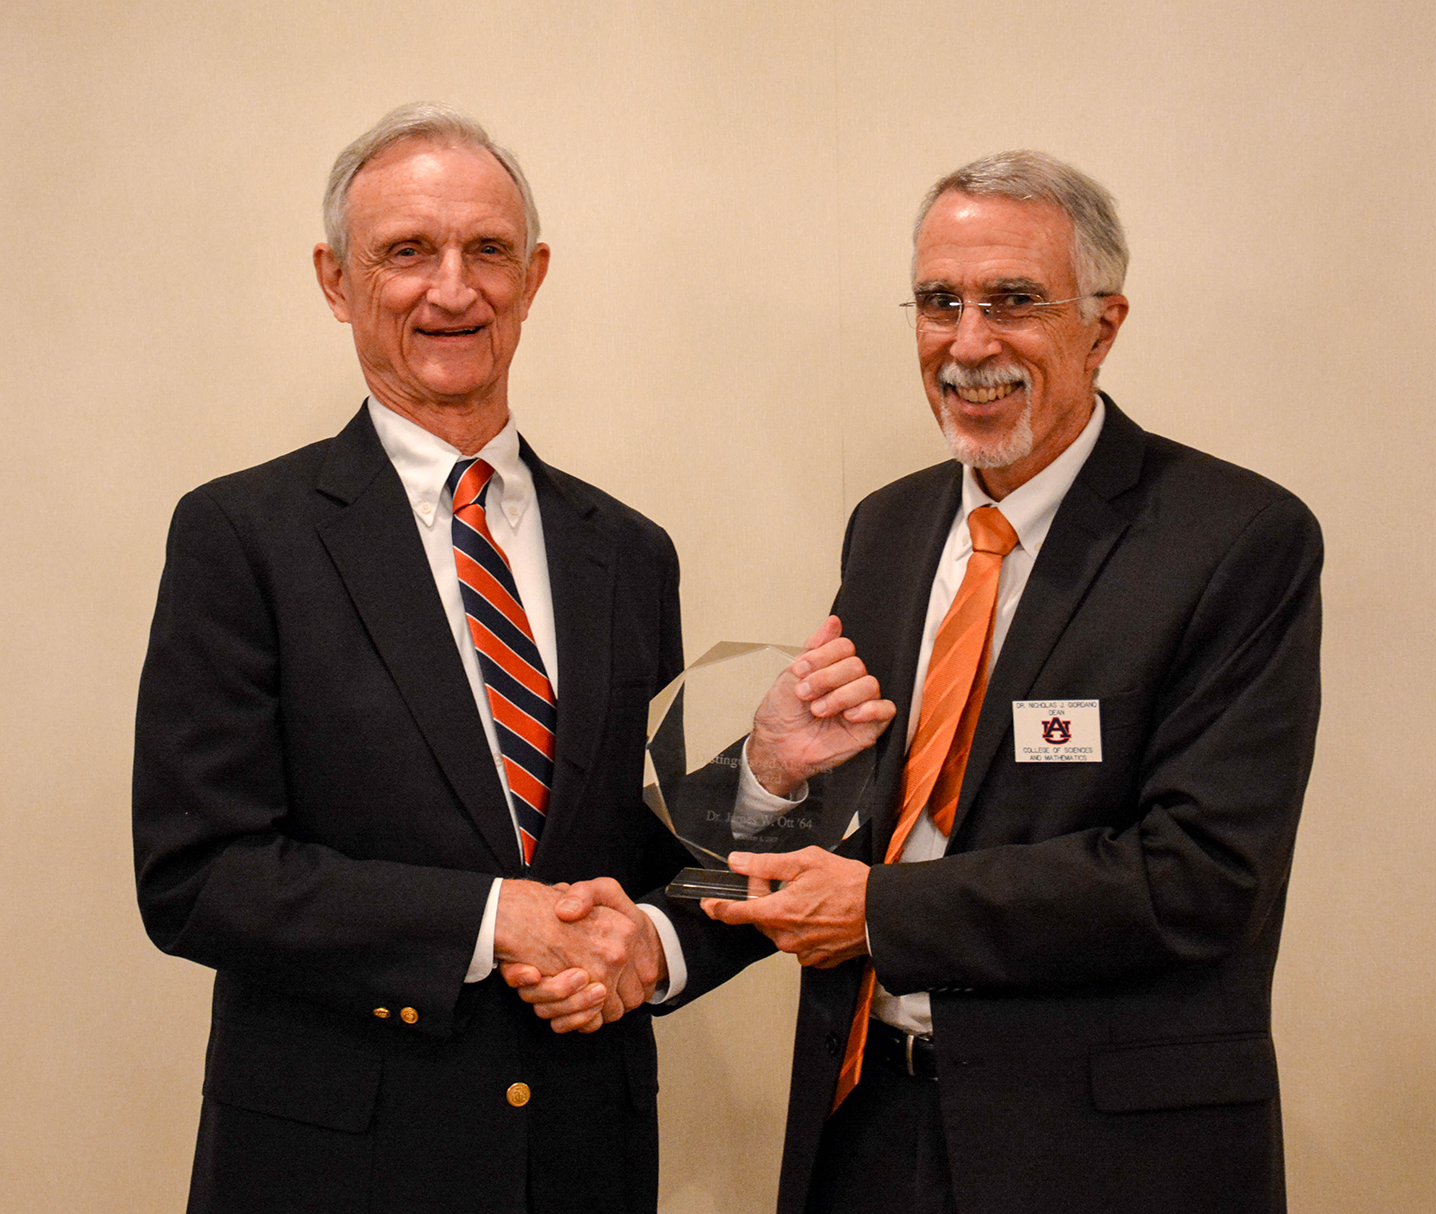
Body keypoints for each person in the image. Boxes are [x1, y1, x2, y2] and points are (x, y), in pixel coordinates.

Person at [132, 103, 890, 1214]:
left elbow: (643, 860)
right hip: (336, 1167)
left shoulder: (628, 550)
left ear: (532, 276)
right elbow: (198, 875)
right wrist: (496, 919)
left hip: (584, 1157)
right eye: (406, 252)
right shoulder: (243, 534)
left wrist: (763, 780)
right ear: (336, 280)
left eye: (487, 250)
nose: (453, 288)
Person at [697, 152, 1323, 1214]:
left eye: (1013, 302)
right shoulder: (888, 527)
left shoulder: (1237, 539)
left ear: (1104, 324)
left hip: (1100, 1155)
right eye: (939, 302)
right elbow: (859, 807)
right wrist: (766, 772)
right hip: (866, 1128)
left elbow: (1203, 872)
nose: (968, 344)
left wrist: (885, 912)